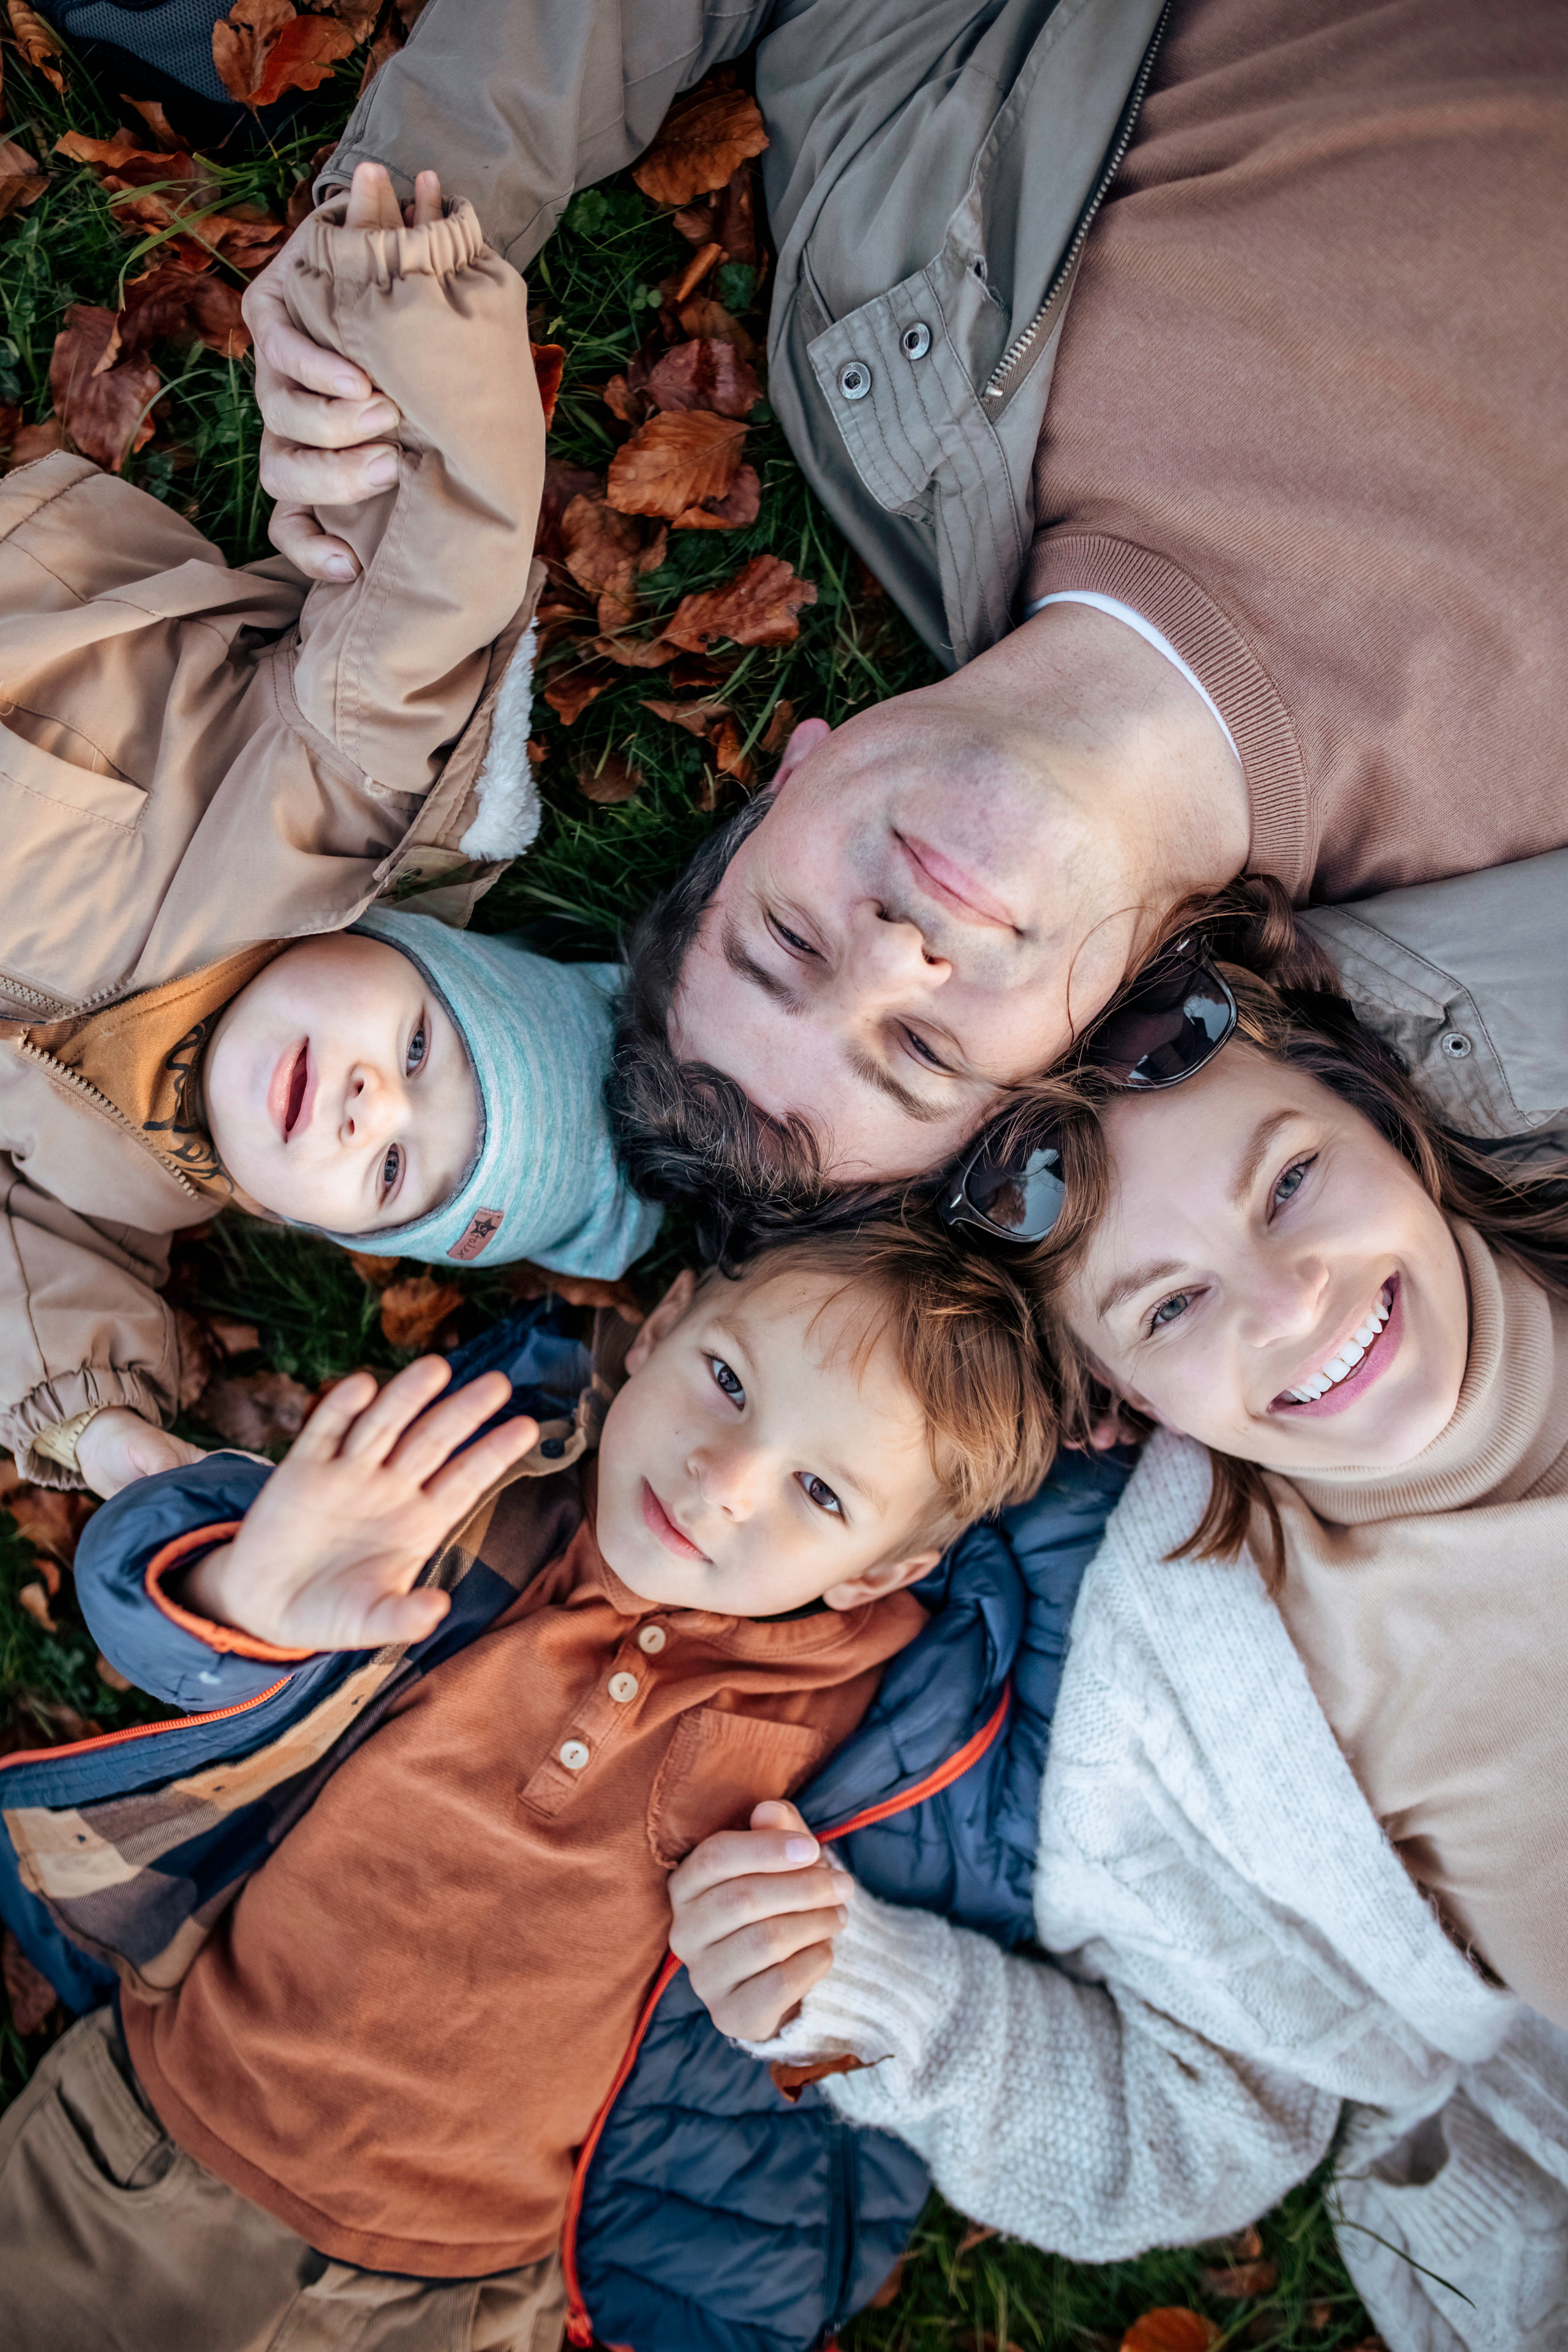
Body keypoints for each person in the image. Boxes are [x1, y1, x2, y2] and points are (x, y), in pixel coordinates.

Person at [245, 0, 1568, 1199]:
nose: (892, 956)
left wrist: (399, 255)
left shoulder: (876, 293)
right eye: (922, 1052)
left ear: (786, 778)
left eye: (789, 939)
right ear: (1093, 1049)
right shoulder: (1501, 936)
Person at [665, 916, 1568, 2349]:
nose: (1288, 1305)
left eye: (1287, 1182)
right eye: (1172, 1305)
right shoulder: (1203, 1704)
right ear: (1118, 1402)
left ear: (1376, 1106)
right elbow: (1191, 2118)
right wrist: (874, 1991)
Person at [0, 1219, 1109, 2352]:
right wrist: (248, 1599)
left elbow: (864, 2025)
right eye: (726, 1381)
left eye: (819, 1492)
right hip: (155, 2153)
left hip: (460, 2299)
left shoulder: (873, 1719)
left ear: (882, 1573)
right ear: (664, 1324)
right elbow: (163, 1582)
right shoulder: (482, 1501)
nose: (723, 1482)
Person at [0, 161, 655, 1504]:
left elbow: (28, 1273)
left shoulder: (144, 1196)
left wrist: (112, 1432)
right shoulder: (329, 803)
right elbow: (432, 597)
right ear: (404, 942)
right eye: (420, 1044)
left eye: (394, 1168)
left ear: (316, 1222)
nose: (370, 1105)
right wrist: (417, 329)